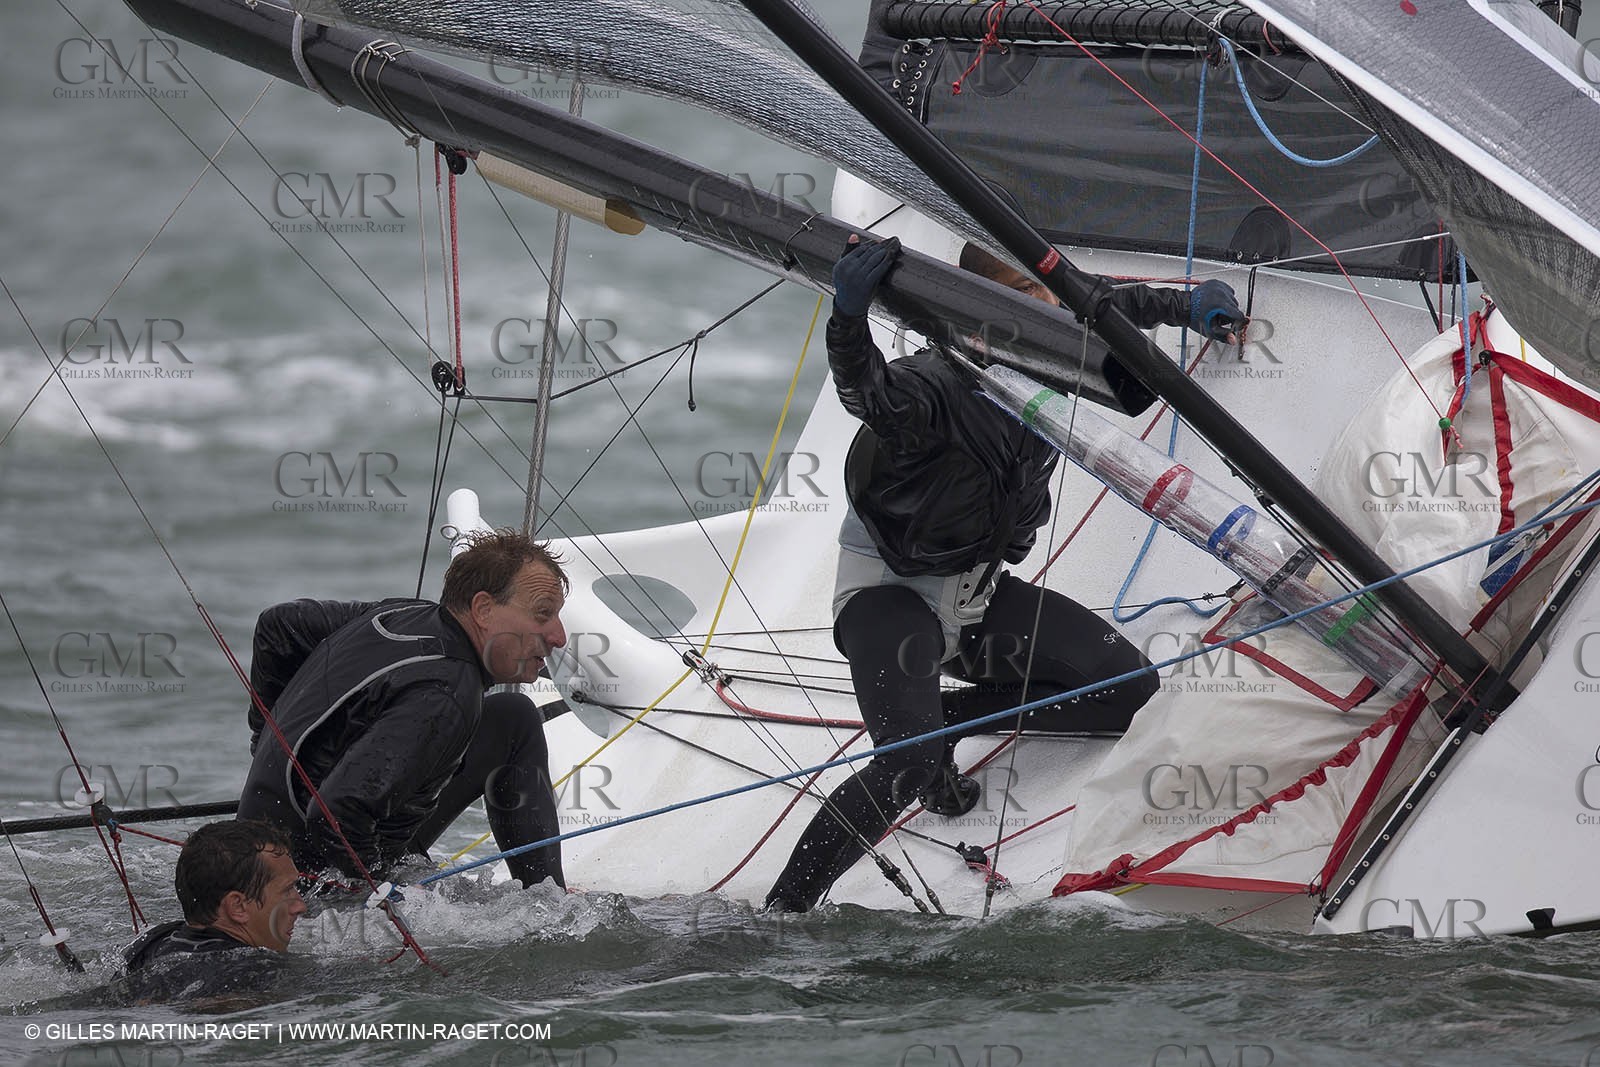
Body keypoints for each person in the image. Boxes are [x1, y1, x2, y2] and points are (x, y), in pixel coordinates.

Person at [764, 236, 1247, 913]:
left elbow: (1112, 302)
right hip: (891, 597)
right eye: (1025, 299)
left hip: (977, 599)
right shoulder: (930, 386)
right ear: (977, 311)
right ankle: (782, 911)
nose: (1050, 311)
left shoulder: (1043, 353)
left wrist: (1192, 306)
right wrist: (847, 316)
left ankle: (950, 718)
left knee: (1131, 690)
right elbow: (864, 392)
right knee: (905, 763)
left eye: (1048, 298)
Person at [237, 528, 569, 888]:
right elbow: (336, 815)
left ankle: (544, 896)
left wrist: (266, 746)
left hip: (269, 830)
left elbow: (279, 626)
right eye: (542, 614)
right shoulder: (444, 693)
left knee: (511, 718)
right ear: (483, 609)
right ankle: (547, 910)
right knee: (510, 717)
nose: (558, 636)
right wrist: (386, 896)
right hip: (297, 875)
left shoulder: (404, 615)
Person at [118, 820, 306, 996]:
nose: (300, 906)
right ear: (238, 906)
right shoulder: (254, 972)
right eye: (287, 890)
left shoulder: (151, 942)